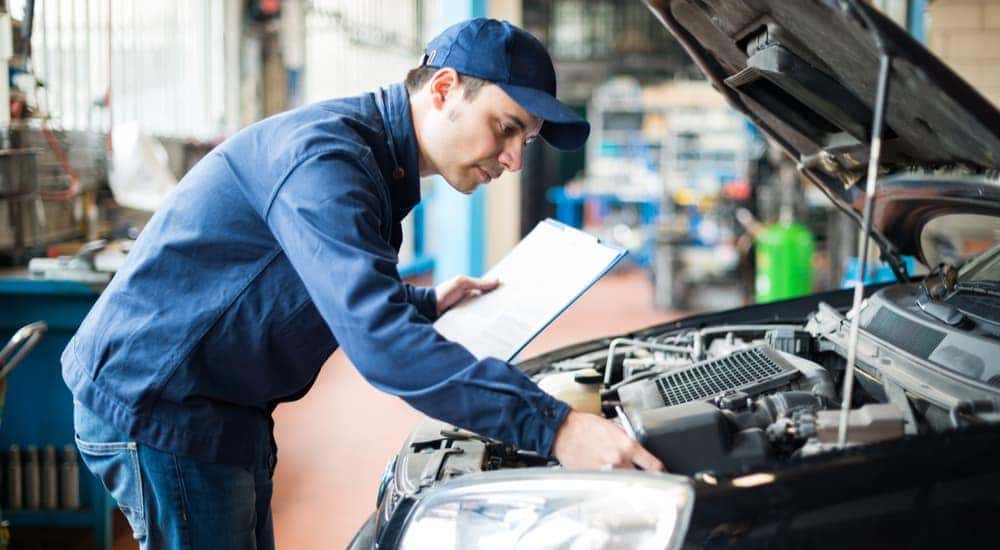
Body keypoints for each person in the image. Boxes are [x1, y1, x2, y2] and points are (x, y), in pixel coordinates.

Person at [63, 18, 663, 549]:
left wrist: (425, 301)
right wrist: (556, 426)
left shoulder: (377, 162)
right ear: (445, 89)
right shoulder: (328, 160)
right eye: (505, 128)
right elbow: (382, 347)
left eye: (524, 141)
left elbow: (306, 282)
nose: (513, 161)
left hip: (226, 403)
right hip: (163, 401)